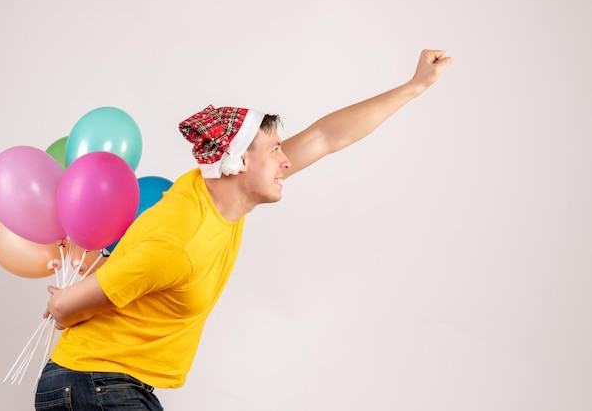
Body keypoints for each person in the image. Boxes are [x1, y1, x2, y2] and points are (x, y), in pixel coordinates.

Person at [36, 49, 452, 410]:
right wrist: (64, 300)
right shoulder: (180, 238)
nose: (286, 161)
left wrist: (415, 86)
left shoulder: (218, 197)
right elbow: (63, 307)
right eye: (275, 151)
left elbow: (326, 137)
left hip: (108, 384)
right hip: (89, 381)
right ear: (238, 163)